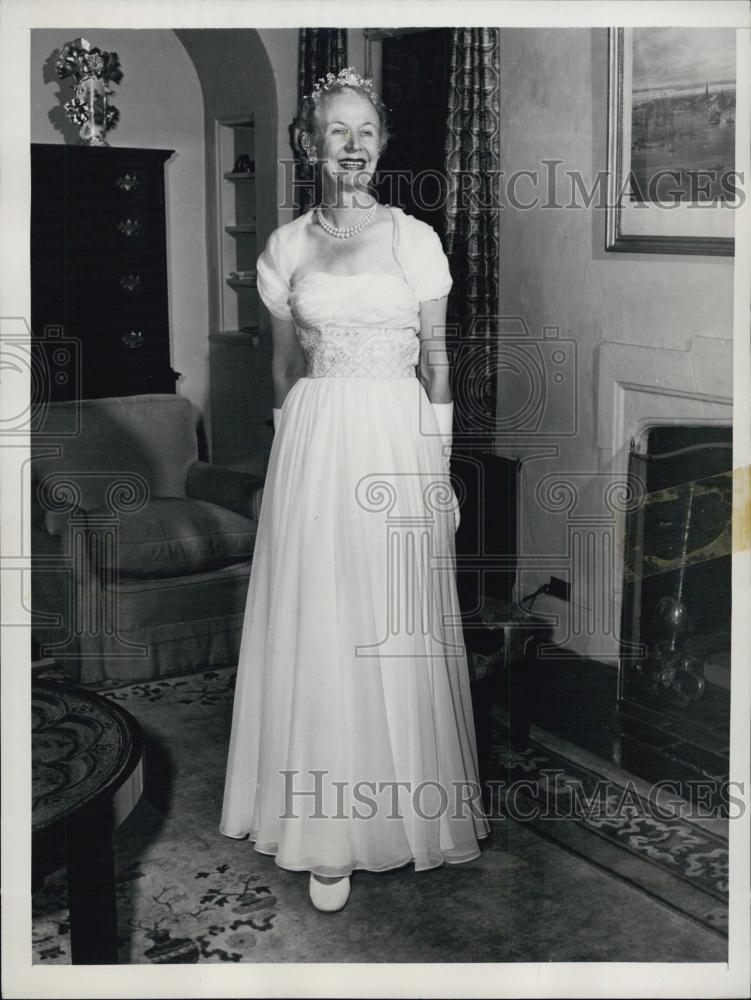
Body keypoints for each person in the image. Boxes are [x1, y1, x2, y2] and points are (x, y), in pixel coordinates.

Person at [220, 67, 489, 912]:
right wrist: (283, 462)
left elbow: (437, 365)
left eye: (365, 131)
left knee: (389, 617)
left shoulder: (415, 241)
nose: (353, 145)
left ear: (382, 145)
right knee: (321, 621)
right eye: (336, 130)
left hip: (396, 440)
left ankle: (403, 810)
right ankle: (323, 835)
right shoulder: (284, 248)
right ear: (310, 145)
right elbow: (279, 368)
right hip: (313, 442)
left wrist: (437, 471)